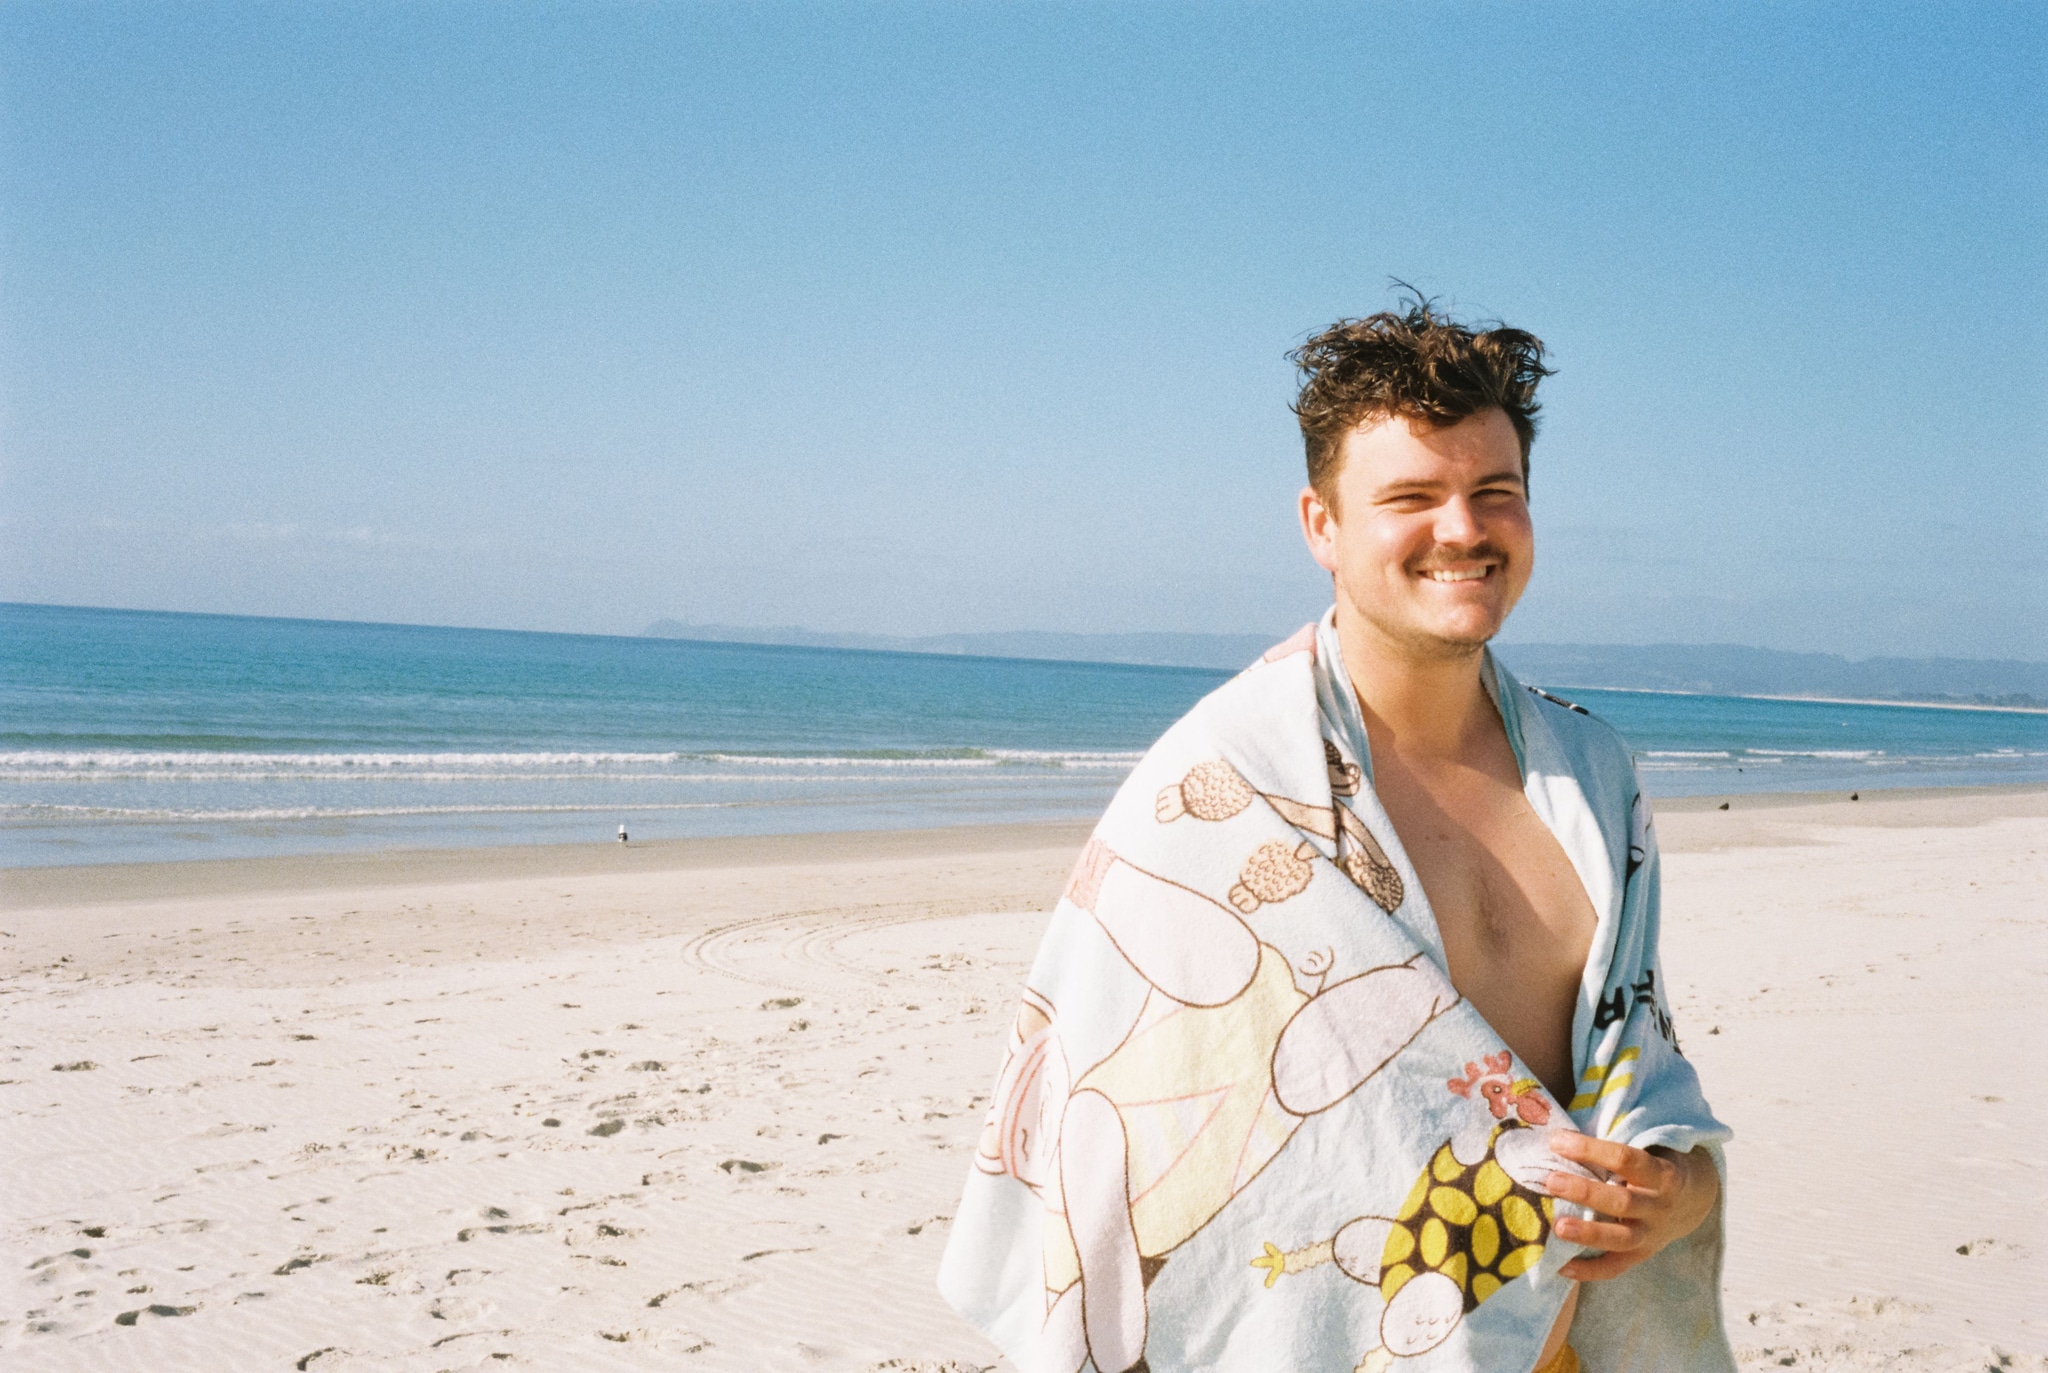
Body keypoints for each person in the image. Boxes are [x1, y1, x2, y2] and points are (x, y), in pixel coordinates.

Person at [939, 298, 1733, 1372]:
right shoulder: (1217, 789)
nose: (1462, 528)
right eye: (1411, 497)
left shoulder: (1592, 779)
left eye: (1494, 491)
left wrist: (1677, 1191)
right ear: (1320, 525)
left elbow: (1647, 1083)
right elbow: (1113, 1136)